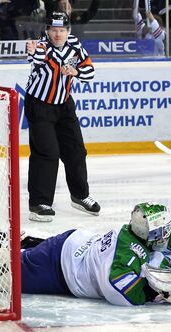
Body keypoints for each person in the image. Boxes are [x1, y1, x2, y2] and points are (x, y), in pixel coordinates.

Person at [20, 202, 171, 306]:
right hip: (55, 269)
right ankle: (9, 243)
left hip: (74, 246)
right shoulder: (126, 257)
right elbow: (117, 291)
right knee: (7, 272)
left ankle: (27, 242)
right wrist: (154, 292)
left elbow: (164, 235)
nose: (168, 232)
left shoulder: (137, 232)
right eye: (165, 230)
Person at [24, 11, 99, 222]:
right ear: (47, 31)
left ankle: (80, 195)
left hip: (64, 105)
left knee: (76, 150)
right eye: (54, 30)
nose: (58, 35)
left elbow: (90, 71)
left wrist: (76, 73)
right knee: (47, 153)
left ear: (68, 31)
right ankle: (39, 203)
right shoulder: (42, 46)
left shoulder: (75, 44)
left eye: (62, 30)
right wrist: (31, 51)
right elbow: (35, 57)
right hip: (40, 105)